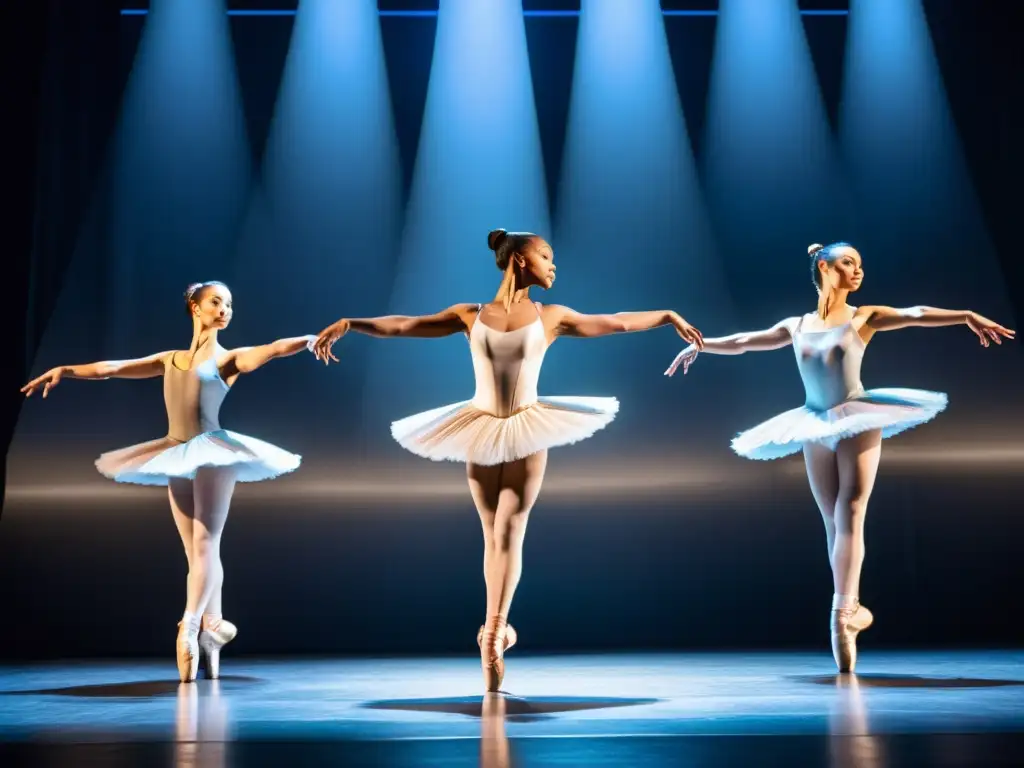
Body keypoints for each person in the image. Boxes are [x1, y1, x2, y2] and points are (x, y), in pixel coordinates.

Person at [312, 229, 704, 691]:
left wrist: (666, 315)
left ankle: (493, 632)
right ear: (520, 259)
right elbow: (405, 325)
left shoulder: (545, 316)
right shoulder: (473, 315)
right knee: (503, 532)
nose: (554, 265)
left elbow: (616, 321)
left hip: (517, 425)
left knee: (499, 534)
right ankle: (495, 631)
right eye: (546, 256)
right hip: (483, 427)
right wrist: (351, 322)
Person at [665, 242, 1014, 672]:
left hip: (857, 416)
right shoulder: (797, 325)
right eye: (849, 262)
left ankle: (842, 613)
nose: (858, 270)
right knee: (832, 520)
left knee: (851, 511)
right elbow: (743, 342)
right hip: (814, 424)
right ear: (825, 267)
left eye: (861, 264)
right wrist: (703, 345)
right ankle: (851, 609)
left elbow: (916, 313)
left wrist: (964, 315)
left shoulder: (863, 317)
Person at [21, 281, 317, 683]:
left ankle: (190, 627)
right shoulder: (170, 359)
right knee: (195, 553)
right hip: (176, 450)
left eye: (229, 304)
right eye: (217, 301)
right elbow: (113, 368)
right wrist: (66, 370)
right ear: (195, 307)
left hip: (213, 450)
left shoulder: (228, 359)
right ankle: (213, 626)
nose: (225, 309)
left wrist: (308, 339)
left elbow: (271, 349)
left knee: (205, 542)